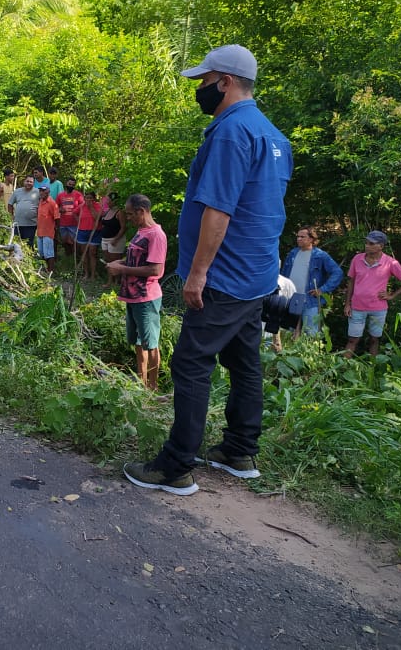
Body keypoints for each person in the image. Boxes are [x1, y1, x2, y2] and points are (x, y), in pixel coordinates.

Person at [124, 44, 293, 495]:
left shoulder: (230, 133)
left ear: (226, 82)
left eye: (204, 80)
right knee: (243, 361)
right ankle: (239, 451)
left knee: (191, 363)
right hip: (256, 274)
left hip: (226, 274)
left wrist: (198, 273)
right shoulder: (273, 136)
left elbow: (219, 211)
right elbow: (268, 207)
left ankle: (176, 466)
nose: (199, 88)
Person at [106, 194, 166, 390]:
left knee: (151, 341)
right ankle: (141, 382)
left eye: (131, 214)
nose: (128, 218)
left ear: (142, 211)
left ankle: (153, 386)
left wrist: (122, 269)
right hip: (132, 296)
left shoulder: (156, 235)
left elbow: (155, 270)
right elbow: (136, 260)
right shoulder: (141, 232)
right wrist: (119, 262)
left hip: (146, 297)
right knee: (138, 340)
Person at [342, 230, 401, 357]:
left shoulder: (390, 262)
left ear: (381, 246)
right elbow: (351, 282)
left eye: (371, 243)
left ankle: (372, 369)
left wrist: (392, 295)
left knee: (374, 339)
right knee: (352, 339)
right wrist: (347, 304)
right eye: (366, 243)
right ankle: (342, 370)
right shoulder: (357, 259)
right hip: (357, 307)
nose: (367, 245)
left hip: (378, 308)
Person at [281, 227, 343, 335]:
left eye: (302, 237)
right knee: (290, 333)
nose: (299, 239)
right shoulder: (293, 253)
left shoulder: (320, 255)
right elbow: (284, 274)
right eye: (298, 236)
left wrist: (322, 289)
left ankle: (309, 352)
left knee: (311, 334)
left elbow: (337, 273)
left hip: (310, 299)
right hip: (292, 298)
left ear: (311, 239)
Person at [99, 192, 127, 286]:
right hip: (105, 239)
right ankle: (109, 281)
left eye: (109, 201)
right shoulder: (107, 211)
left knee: (115, 261)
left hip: (115, 240)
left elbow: (123, 227)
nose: (107, 202)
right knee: (108, 261)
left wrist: (116, 239)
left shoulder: (120, 212)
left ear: (114, 201)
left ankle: (117, 281)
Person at [75, 189, 103, 279]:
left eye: (90, 198)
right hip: (82, 231)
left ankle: (93, 274)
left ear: (94, 199)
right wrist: (78, 221)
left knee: (93, 253)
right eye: (87, 198)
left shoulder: (98, 206)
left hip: (95, 232)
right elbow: (74, 213)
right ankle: (86, 273)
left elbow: (97, 218)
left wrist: (91, 207)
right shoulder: (81, 206)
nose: (88, 200)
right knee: (84, 253)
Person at [8, 176, 40, 248]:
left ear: (34, 183)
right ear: (24, 182)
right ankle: (17, 259)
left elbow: (43, 205)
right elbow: (10, 204)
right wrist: (11, 216)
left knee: (28, 245)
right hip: (17, 224)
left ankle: (28, 258)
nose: (28, 183)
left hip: (31, 224)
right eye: (27, 181)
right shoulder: (17, 191)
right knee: (16, 244)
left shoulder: (38, 192)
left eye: (31, 182)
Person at [56, 177, 83, 256]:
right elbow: (55, 206)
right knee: (65, 241)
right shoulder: (60, 195)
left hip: (74, 223)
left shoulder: (78, 195)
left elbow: (83, 206)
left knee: (74, 242)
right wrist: (60, 208)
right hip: (63, 223)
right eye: (69, 184)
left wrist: (76, 212)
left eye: (73, 185)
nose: (71, 186)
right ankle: (68, 257)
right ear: (66, 184)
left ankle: (75, 257)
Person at [36, 185, 60, 274]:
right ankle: (44, 270)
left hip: (48, 232)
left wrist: (56, 230)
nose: (41, 192)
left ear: (48, 192)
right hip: (40, 232)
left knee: (49, 254)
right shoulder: (40, 201)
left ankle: (51, 272)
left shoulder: (52, 203)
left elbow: (57, 218)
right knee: (41, 253)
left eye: (43, 191)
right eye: (40, 191)